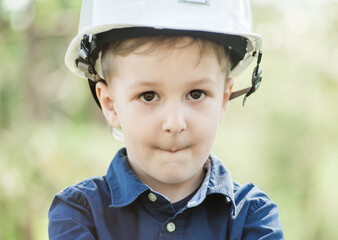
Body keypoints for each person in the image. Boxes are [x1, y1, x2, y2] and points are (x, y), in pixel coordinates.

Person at [48, 0, 284, 239]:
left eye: (196, 94)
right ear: (110, 104)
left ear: (223, 101)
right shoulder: (79, 213)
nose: (174, 123)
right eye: (148, 96)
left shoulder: (253, 217)